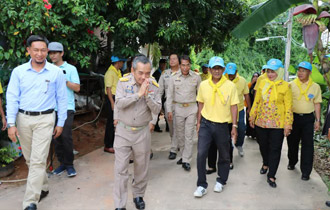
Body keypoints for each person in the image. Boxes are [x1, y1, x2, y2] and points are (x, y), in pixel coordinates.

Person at [6, 35, 67, 210]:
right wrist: (11, 124)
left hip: (45, 119)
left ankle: (30, 201)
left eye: (43, 50)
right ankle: (44, 186)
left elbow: (62, 99)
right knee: (30, 159)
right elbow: (12, 98)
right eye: (36, 50)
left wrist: (60, 122)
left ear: (47, 51)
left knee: (39, 160)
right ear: (28, 51)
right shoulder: (19, 72)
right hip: (23, 119)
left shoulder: (55, 72)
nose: (40, 54)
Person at [113, 55, 161, 210]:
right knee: (120, 170)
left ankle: (138, 195)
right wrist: (138, 94)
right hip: (123, 131)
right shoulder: (123, 82)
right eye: (140, 73)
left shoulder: (153, 85)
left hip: (142, 132)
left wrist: (147, 95)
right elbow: (119, 104)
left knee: (141, 167)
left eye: (147, 73)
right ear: (133, 70)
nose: (144, 77)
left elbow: (157, 109)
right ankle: (120, 204)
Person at [194, 56, 238, 198]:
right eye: (214, 68)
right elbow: (200, 104)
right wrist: (198, 122)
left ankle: (221, 180)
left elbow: (234, 106)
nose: (217, 71)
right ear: (209, 69)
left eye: (219, 68)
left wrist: (235, 126)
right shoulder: (204, 85)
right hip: (206, 124)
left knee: (224, 155)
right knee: (201, 154)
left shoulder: (230, 86)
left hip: (222, 125)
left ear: (223, 69)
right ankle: (201, 185)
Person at [249, 58, 293, 188]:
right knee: (263, 145)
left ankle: (272, 175)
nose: (270, 74)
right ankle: (265, 163)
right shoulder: (262, 83)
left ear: (279, 72)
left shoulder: (286, 86)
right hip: (261, 123)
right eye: (268, 71)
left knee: (275, 149)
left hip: (277, 125)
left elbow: (288, 107)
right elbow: (257, 101)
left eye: (273, 72)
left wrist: (288, 125)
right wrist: (252, 117)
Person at [48, 42, 80, 177]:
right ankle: (62, 163)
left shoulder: (71, 69)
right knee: (56, 137)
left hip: (67, 107)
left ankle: (69, 165)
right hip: (50, 108)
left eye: (55, 52)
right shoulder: (47, 69)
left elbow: (77, 88)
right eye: (50, 53)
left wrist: (64, 80)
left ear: (61, 53)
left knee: (66, 136)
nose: (53, 55)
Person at [287, 61, 321, 181]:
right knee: (292, 142)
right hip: (293, 118)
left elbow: (317, 104)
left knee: (308, 145)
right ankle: (292, 161)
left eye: (303, 71)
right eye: (299, 70)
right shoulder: (290, 85)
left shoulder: (315, 87)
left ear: (309, 72)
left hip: (308, 119)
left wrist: (318, 120)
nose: (300, 73)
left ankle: (306, 172)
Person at [166, 55, 201, 171]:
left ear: (190, 65)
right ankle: (182, 154)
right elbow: (169, 95)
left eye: (187, 65)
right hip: (178, 108)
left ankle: (186, 159)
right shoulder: (173, 77)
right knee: (179, 135)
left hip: (191, 108)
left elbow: (200, 96)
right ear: (180, 65)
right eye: (183, 65)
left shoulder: (196, 77)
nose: (185, 68)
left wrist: (200, 113)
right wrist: (169, 110)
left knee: (189, 135)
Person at [158, 53, 180, 160]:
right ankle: (175, 142)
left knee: (177, 126)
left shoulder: (183, 73)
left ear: (179, 61)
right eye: (170, 59)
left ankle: (173, 149)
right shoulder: (165, 74)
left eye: (174, 59)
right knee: (171, 127)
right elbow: (159, 91)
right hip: (168, 104)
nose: (172, 60)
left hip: (180, 104)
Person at [104, 55, 125, 154]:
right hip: (111, 98)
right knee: (111, 122)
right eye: (122, 62)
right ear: (118, 62)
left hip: (117, 98)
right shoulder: (110, 73)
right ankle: (108, 145)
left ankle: (114, 143)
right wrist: (112, 103)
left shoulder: (118, 72)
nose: (123, 64)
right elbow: (108, 89)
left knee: (117, 122)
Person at [152, 59, 167, 132]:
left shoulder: (165, 73)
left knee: (166, 109)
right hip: (157, 94)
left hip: (164, 95)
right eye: (163, 64)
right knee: (157, 110)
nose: (164, 66)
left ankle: (167, 126)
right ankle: (155, 125)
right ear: (160, 64)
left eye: (165, 64)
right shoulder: (157, 73)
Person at [245, 72, 260, 139]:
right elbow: (246, 94)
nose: (255, 78)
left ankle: (255, 134)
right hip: (249, 104)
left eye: (257, 76)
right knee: (249, 118)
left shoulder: (260, 85)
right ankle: (249, 132)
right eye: (254, 76)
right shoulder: (250, 85)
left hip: (257, 105)